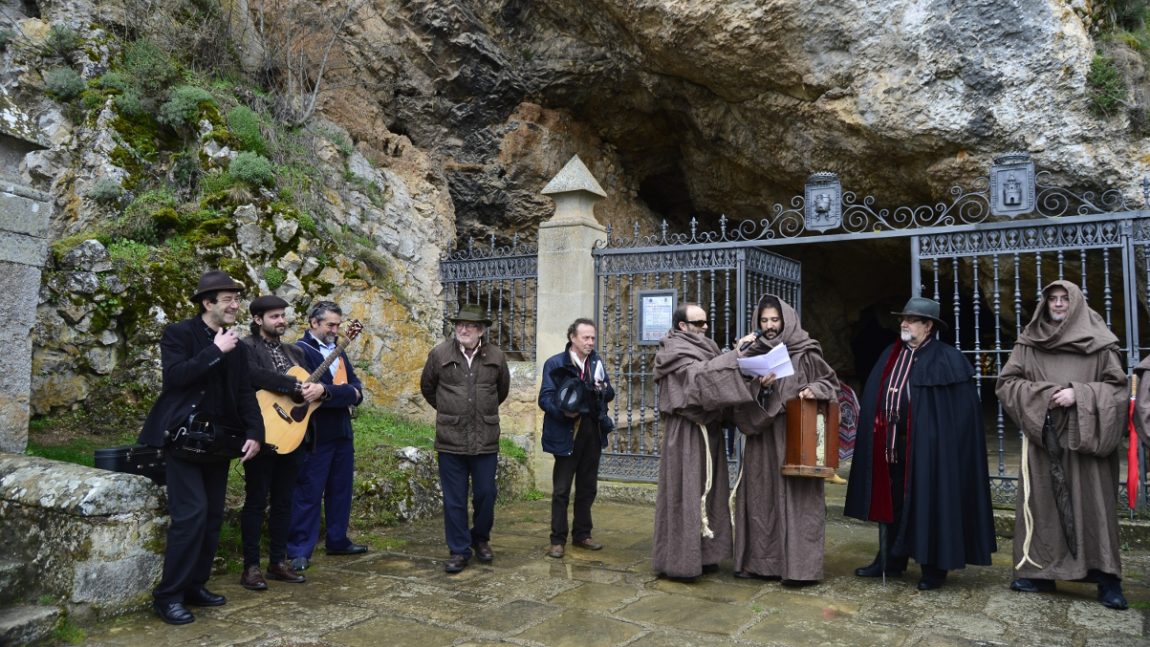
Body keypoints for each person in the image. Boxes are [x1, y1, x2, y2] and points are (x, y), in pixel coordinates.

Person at [844, 296, 996, 591]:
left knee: (931, 502)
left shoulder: (947, 359)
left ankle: (933, 567)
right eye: (903, 318)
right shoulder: (891, 354)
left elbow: (961, 417)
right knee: (892, 503)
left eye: (911, 320)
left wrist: (938, 441)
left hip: (930, 452)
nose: (904, 323)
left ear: (928, 326)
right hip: (890, 448)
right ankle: (889, 559)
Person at [138, 270, 263, 625]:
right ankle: (168, 596)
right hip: (182, 440)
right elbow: (175, 377)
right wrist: (214, 351)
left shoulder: (235, 345)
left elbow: (244, 391)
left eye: (237, 299)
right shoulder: (179, 334)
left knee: (211, 519)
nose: (235, 305)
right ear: (208, 303)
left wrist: (255, 432)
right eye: (228, 300)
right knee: (190, 516)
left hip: (218, 443)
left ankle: (195, 586)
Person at [996, 281, 1128, 610]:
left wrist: (1077, 393)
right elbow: (1007, 383)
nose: (1057, 304)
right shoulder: (1028, 343)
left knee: (1093, 506)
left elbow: (1118, 390)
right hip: (1046, 439)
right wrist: (1043, 398)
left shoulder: (1101, 343)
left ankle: (1106, 578)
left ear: (1077, 303)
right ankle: (1039, 573)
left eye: (1063, 299)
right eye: (1052, 299)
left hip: (1087, 441)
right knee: (1045, 505)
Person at [730, 295, 838, 584]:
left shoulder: (807, 352)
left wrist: (815, 389)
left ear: (786, 320)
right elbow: (737, 395)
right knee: (761, 498)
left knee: (798, 500)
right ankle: (761, 564)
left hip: (796, 437)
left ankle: (799, 569)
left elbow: (831, 384)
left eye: (774, 320)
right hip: (763, 440)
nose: (769, 326)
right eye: (764, 320)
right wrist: (758, 386)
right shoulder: (751, 353)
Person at [651, 302, 763, 581]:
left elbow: (716, 376)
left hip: (708, 432)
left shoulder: (708, 348)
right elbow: (698, 379)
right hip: (687, 433)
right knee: (686, 492)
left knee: (710, 492)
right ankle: (680, 560)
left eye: (705, 322)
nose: (705, 327)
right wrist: (734, 356)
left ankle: (707, 554)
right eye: (699, 323)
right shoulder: (673, 350)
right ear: (682, 326)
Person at [239, 295, 324, 591]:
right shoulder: (245, 347)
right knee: (256, 499)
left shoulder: (295, 352)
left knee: (284, 500)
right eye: (274, 316)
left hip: (294, 436)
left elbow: (309, 390)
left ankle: (277, 562)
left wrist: (317, 392)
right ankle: (250, 567)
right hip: (261, 433)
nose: (281, 321)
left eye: (283, 316)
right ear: (257, 320)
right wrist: (292, 385)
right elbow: (249, 376)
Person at [420, 304, 511, 574]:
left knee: (486, 494)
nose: (463, 329)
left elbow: (501, 390)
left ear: (481, 330)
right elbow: (428, 388)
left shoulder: (496, 355)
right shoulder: (439, 353)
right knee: (454, 499)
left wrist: (479, 413)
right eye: (460, 324)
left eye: (470, 325)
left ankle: (480, 538)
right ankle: (459, 550)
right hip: (451, 438)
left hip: (485, 438)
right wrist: (451, 410)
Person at [287, 300, 366, 572]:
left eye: (338, 325)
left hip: (342, 429)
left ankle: (337, 539)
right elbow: (305, 393)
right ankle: (298, 549)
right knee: (309, 489)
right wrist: (341, 394)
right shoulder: (299, 351)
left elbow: (356, 389)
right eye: (330, 324)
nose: (335, 329)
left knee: (341, 489)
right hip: (315, 431)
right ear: (314, 323)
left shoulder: (339, 351)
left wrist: (334, 393)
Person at [539, 318, 615, 559]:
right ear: (572, 337)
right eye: (586, 338)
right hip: (566, 431)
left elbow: (610, 393)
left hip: (592, 431)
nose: (591, 342)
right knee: (561, 489)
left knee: (587, 487)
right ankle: (557, 540)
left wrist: (603, 389)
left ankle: (582, 534)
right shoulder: (555, 363)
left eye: (593, 338)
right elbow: (545, 398)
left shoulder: (596, 362)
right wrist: (563, 411)